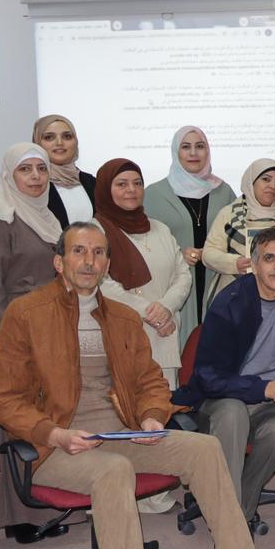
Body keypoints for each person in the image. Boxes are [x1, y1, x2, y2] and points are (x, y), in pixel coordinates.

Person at [0, 222, 275, 549]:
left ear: (107, 265)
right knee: (113, 470)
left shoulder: (123, 318)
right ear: (59, 262)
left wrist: (151, 416)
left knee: (204, 448)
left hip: (120, 433)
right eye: (79, 251)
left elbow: (150, 382)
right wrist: (53, 433)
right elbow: (5, 400)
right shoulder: (25, 314)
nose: (89, 261)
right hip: (55, 446)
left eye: (99, 253)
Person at [173, 227, 275, 523]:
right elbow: (207, 377)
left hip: (272, 401)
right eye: (269, 258)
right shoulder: (229, 302)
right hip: (222, 399)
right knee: (233, 414)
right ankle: (230, 525)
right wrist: (264, 389)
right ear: (253, 264)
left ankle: (235, 511)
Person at [0, 143, 63, 541]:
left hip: (45, 332)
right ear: (10, 176)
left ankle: (42, 505)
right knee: (12, 421)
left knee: (39, 418)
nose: (36, 177)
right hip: (7, 336)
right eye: (26, 170)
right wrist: (3, 355)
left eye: (41, 169)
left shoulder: (48, 219)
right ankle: (16, 518)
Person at [94, 159, 192, 388]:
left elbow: (183, 274)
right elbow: (100, 283)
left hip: (164, 333)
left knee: (163, 400)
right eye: (122, 184)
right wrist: (151, 313)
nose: (132, 190)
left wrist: (166, 308)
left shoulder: (160, 228)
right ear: (106, 189)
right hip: (125, 334)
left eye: (137, 183)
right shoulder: (95, 231)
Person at [143, 126, 236, 334]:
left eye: (200, 146)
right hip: (173, 286)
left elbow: (237, 238)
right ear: (176, 152)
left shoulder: (224, 191)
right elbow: (144, 245)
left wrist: (215, 254)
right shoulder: (154, 194)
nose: (193, 153)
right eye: (186, 147)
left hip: (217, 282)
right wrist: (177, 254)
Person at [202, 158, 275, 306]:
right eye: (266, 179)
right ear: (251, 182)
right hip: (234, 298)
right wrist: (235, 263)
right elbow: (208, 254)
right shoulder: (230, 214)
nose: (272, 186)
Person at [33, 114, 96, 229]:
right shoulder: (34, 184)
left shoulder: (92, 182)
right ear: (37, 143)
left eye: (67, 136)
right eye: (49, 137)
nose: (59, 143)